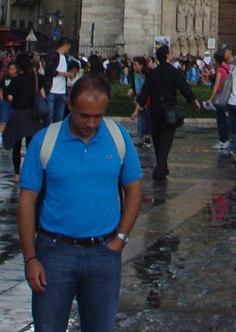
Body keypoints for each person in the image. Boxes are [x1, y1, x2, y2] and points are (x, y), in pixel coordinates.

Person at [18, 73, 143, 332]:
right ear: (69, 105)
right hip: (54, 253)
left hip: (103, 253)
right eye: (84, 115)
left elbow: (134, 191)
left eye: (98, 116)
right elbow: (27, 202)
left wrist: (121, 238)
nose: (90, 123)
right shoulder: (45, 141)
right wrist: (30, 258)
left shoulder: (118, 138)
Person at [139, 44, 201, 182]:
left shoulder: (153, 73)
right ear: (167, 55)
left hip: (155, 111)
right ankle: (159, 170)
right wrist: (194, 100)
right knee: (166, 142)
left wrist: (140, 105)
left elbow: (145, 91)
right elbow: (184, 88)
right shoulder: (174, 72)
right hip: (170, 112)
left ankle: (162, 168)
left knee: (158, 141)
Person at [3, 53, 45, 182]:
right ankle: (31, 172)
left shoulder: (16, 80)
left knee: (17, 145)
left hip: (18, 114)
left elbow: (9, 97)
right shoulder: (37, 78)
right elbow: (43, 95)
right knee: (31, 146)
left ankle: (17, 174)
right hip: (32, 115)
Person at [45, 38, 72, 124]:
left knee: (59, 117)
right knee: (49, 115)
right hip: (52, 89)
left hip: (61, 91)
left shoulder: (65, 58)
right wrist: (63, 74)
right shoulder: (53, 56)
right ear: (66, 46)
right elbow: (49, 71)